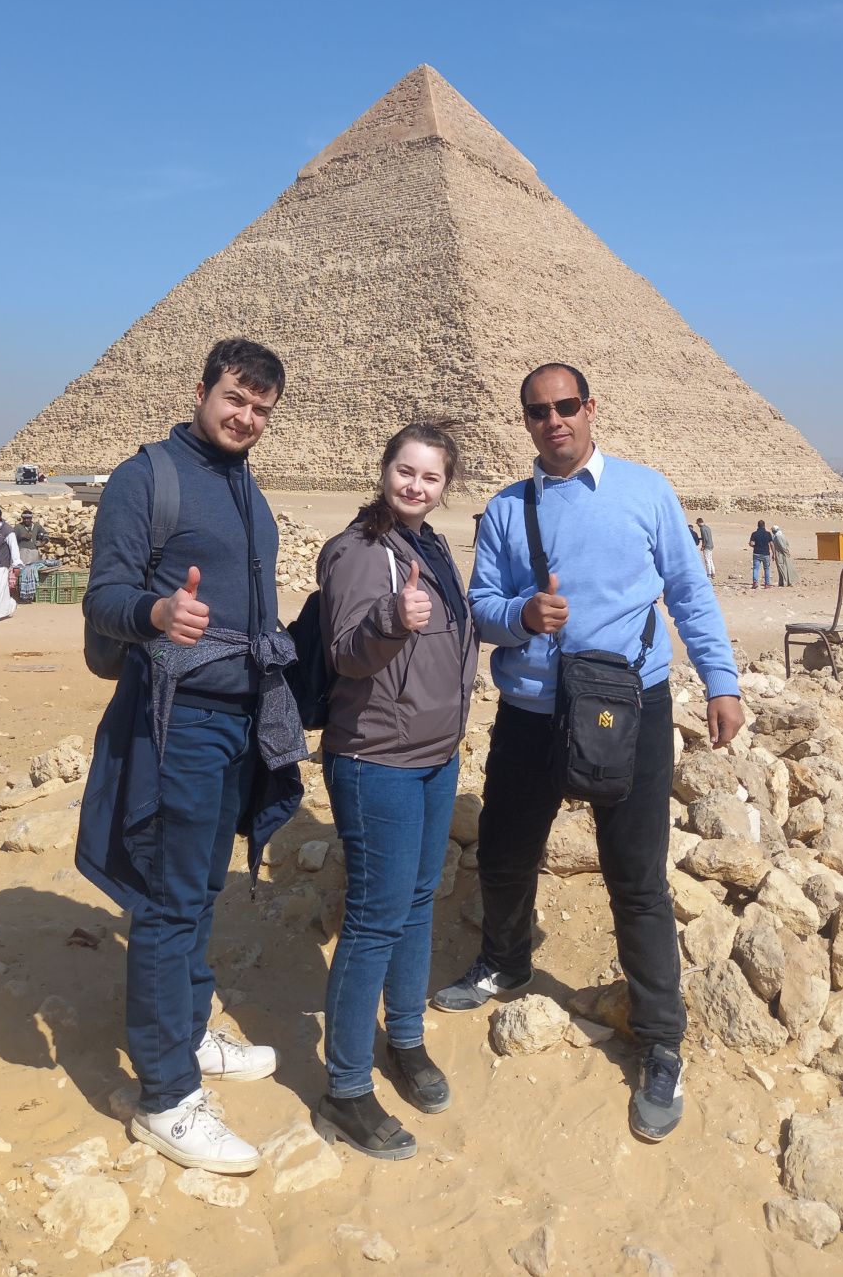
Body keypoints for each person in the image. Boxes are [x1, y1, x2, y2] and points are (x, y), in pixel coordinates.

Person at [432, 363, 742, 1144]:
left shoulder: (646, 492)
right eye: (538, 412)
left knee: (636, 878)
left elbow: (688, 592)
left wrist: (721, 681)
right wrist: (521, 614)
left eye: (565, 406)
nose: (554, 421)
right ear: (525, 422)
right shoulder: (508, 509)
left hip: (626, 710)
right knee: (505, 852)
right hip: (532, 711)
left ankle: (661, 1040)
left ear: (590, 408)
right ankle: (504, 961)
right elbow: (479, 608)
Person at [78, 338, 303, 1176]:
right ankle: (166, 1096)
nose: (245, 417)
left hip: (238, 723)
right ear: (201, 389)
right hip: (178, 723)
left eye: (261, 409)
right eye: (234, 398)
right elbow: (104, 595)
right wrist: (157, 612)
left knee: (203, 889)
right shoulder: (148, 478)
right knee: (168, 903)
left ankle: (190, 1028)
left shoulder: (246, 487)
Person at [312, 424, 478, 1162]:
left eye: (431, 477)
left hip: (434, 756)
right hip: (376, 758)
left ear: (445, 486)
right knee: (374, 920)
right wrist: (389, 618)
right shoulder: (357, 552)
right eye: (405, 471)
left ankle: (405, 1041)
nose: (416, 486)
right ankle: (345, 1088)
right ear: (383, 471)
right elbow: (345, 652)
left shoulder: (431, 547)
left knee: (416, 903)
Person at [748, 518, 774, 589]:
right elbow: (771, 544)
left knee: (756, 568)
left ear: (758, 526)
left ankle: (755, 582)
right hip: (766, 553)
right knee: (766, 569)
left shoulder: (754, 534)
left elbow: (751, 543)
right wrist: (773, 553)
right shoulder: (768, 534)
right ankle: (767, 584)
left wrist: (754, 546)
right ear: (764, 525)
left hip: (756, 553)